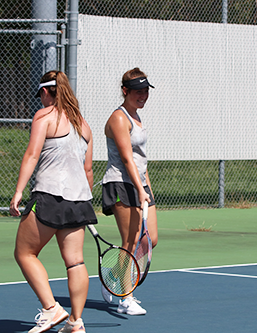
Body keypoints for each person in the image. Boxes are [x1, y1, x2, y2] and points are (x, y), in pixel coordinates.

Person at [10, 70, 96, 333]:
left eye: (42, 95)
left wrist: (18, 192)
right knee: (75, 262)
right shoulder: (84, 125)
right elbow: (88, 170)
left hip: (49, 196)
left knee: (24, 253)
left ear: (46, 92)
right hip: (79, 202)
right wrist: (83, 202)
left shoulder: (44, 116)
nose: (41, 101)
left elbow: (31, 155)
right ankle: (75, 321)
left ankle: (51, 308)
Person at [100, 68, 159, 315]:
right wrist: (138, 187)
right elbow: (126, 159)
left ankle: (114, 274)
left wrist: (147, 189)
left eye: (145, 91)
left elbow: (140, 159)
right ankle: (125, 297)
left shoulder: (136, 117)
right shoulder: (119, 118)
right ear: (125, 91)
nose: (143, 95)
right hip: (120, 184)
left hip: (139, 184)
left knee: (150, 240)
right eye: (137, 91)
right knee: (130, 241)